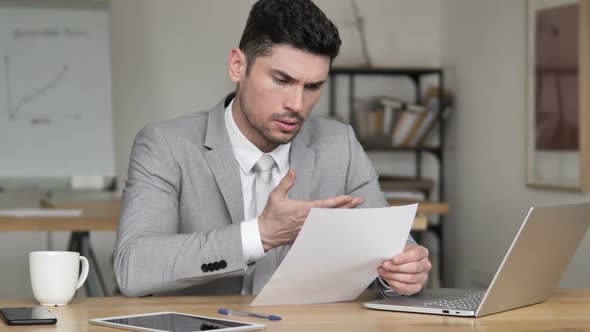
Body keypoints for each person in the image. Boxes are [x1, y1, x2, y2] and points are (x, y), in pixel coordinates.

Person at [114, 0, 431, 297]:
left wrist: (403, 273)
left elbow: (393, 248)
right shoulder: (165, 145)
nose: (297, 105)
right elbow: (133, 267)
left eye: (313, 87)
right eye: (281, 80)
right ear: (238, 66)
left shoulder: (340, 145)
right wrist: (259, 236)